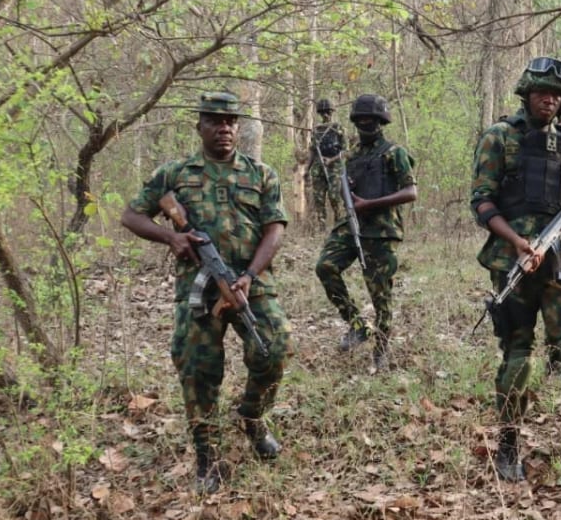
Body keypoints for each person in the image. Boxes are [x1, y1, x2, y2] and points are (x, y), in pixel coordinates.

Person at [121, 91, 290, 495]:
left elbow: (275, 229)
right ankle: (207, 455)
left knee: (275, 349)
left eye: (230, 121)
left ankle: (252, 417)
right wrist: (172, 237)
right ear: (199, 126)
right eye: (215, 121)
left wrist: (250, 274)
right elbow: (131, 215)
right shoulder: (175, 174)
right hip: (196, 289)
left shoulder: (261, 174)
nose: (224, 128)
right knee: (197, 368)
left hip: (249, 285)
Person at [470, 56, 561, 494]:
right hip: (513, 262)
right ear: (527, 94)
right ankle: (508, 448)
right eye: (541, 92)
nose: (548, 100)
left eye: (555, 94)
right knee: (518, 358)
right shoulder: (499, 137)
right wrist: (516, 240)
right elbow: (481, 201)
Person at [314, 93, 417, 370]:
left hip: (381, 231)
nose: (365, 124)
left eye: (370, 120)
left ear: (381, 121)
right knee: (325, 266)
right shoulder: (350, 155)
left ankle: (381, 349)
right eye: (360, 120)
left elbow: (410, 192)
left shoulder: (394, 152)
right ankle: (357, 325)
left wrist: (370, 204)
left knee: (380, 295)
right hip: (352, 225)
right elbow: (342, 190)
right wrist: (346, 189)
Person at [307, 98, 346, 226]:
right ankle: (321, 226)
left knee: (334, 196)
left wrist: (331, 160)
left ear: (332, 112)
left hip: (334, 167)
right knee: (318, 198)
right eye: (323, 112)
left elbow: (345, 151)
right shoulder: (316, 130)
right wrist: (307, 169)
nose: (325, 115)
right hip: (318, 168)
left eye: (328, 112)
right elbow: (312, 150)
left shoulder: (338, 128)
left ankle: (339, 223)